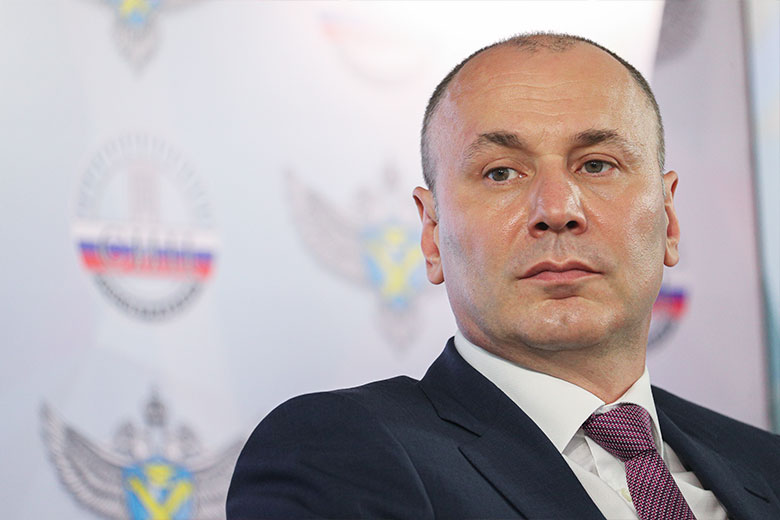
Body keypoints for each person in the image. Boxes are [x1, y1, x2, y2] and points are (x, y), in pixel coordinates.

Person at [227, 33, 780, 519]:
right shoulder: (341, 453)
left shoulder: (765, 463)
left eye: (597, 164)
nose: (557, 209)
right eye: (501, 173)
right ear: (432, 234)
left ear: (669, 219)